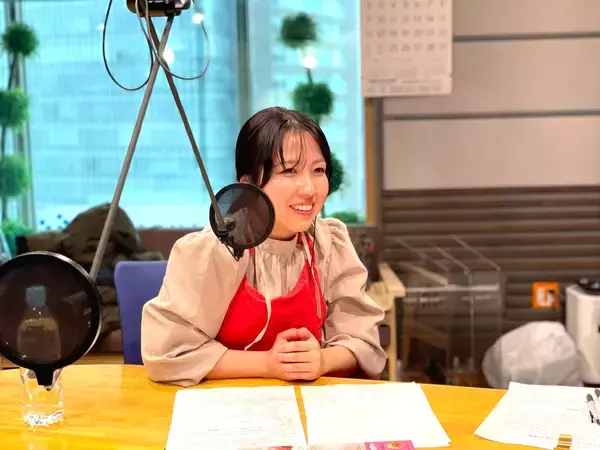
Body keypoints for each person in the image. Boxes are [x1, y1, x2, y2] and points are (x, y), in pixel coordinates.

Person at [140, 106, 387, 386]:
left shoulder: (328, 243)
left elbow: (363, 341)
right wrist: (269, 364)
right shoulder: (216, 250)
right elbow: (168, 354)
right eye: (289, 171)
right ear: (248, 182)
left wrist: (322, 360)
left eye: (318, 170)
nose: (309, 188)